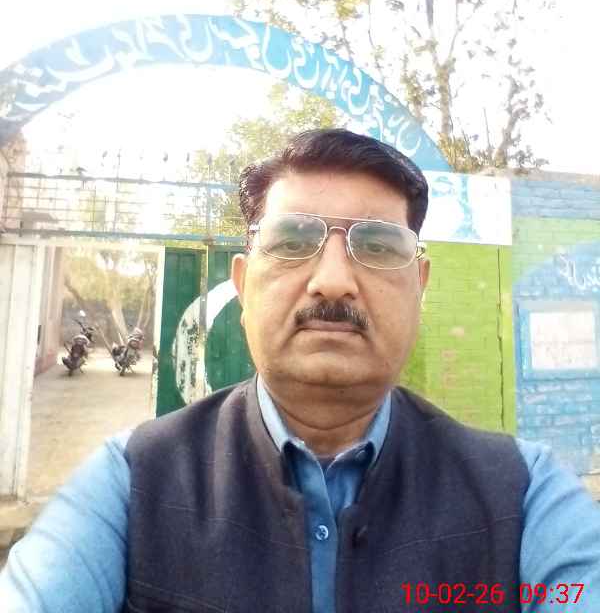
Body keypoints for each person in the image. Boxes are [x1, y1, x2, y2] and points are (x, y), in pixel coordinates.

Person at [1, 128, 599, 612]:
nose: (333, 281)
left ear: (418, 288)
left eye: (379, 246)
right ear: (243, 286)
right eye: (291, 240)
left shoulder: (525, 495)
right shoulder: (129, 484)